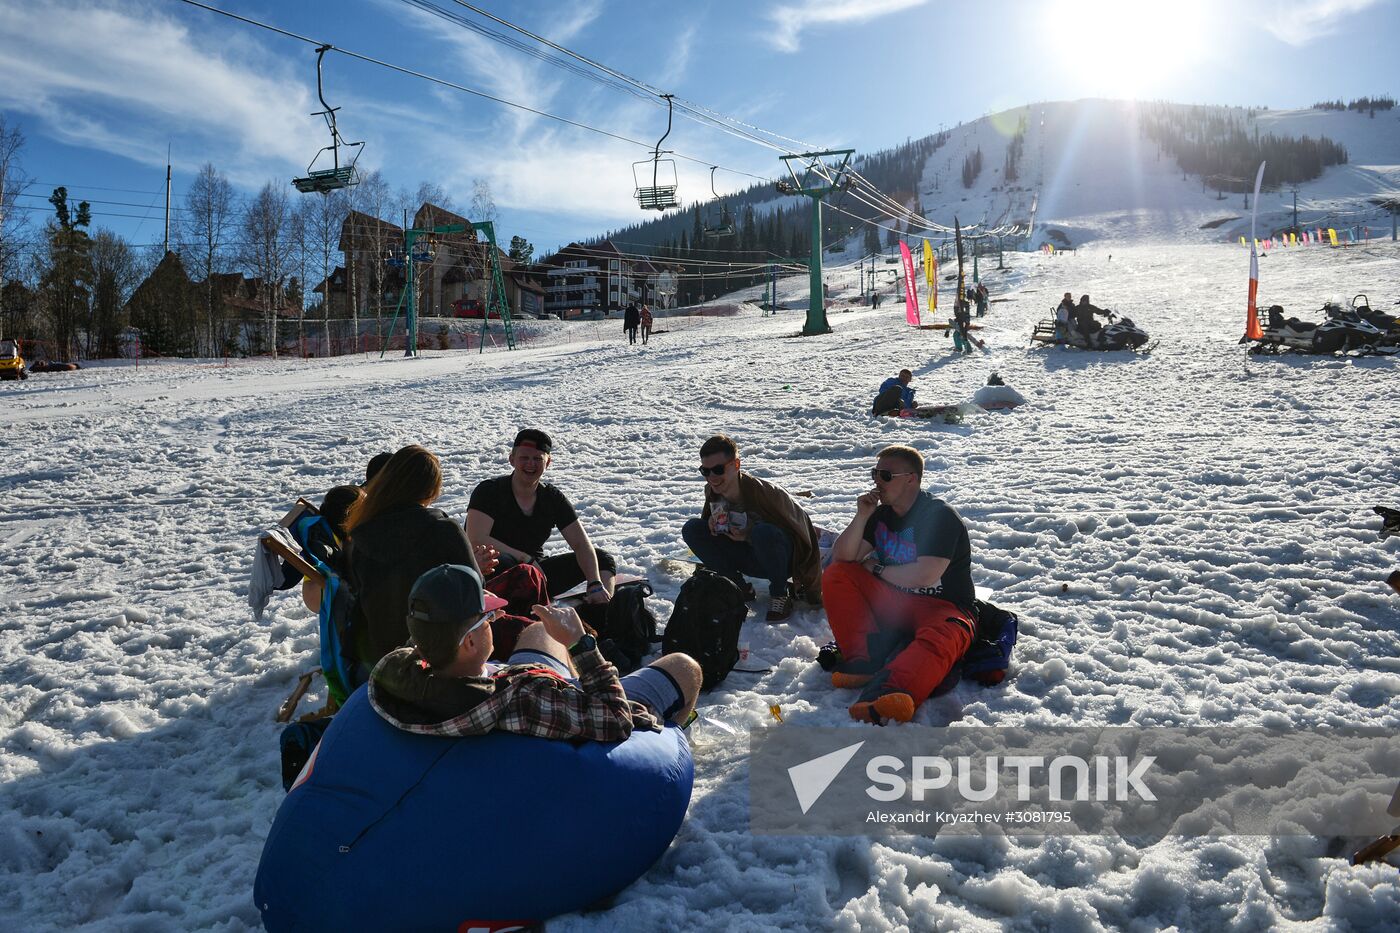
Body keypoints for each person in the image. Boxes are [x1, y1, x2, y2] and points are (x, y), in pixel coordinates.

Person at [369, 563, 702, 741]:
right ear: (469, 643)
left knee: (539, 629)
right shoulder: (524, 702)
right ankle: (676, 733)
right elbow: (616, 720)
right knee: (685, 667)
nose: (497, 617)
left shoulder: (395, 674)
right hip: (587, 710)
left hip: (510, 682)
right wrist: (581, 645)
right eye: (488, 618)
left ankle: (571, 673)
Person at [822, 445, 976, 724]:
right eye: (875, 474)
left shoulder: (939, 516)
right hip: (896, 603)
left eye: (885, 475)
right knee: (838, 574)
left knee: (939, 638)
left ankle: (890, 692)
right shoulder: (881, 515)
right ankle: (864, 660)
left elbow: (925, 575)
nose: (877, 482)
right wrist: (862, 516)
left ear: (911, 479)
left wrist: (877, 568)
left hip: (944, 606)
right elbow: (844, 557)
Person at [344, 445, 522, 669]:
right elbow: (475, 596)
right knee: (531, 607)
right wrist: (473, 565)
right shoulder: (441, 529)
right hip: (439, 649)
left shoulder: (361, 534)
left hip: (382, 653)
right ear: (431, 488)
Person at [680, 435, 823, 622]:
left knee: (763, 532)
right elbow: (707, 536)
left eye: (717, 469)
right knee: (692, 528)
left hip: (780, 561)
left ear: (736, 465)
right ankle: (736, 586)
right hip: (745, 556)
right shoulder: (712, 491)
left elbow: (805, 536)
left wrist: (812, 590)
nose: (712, 478)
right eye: (705, 471)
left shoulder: (768, 493)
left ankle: (780, 595)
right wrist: (711, 525)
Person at [466, 429, 616, 602]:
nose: (530, 464)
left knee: (602, 560)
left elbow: (581, 544)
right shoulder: (489, 491)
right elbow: (476, 539)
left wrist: (594, 583)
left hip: (537, 573)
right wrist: (525, 559)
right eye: (524, 458)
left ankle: (603, 608)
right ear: (512, 459)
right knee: (508, 562)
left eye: (537, 459)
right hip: (492, 572)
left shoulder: (552, 498)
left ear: (548, 462)